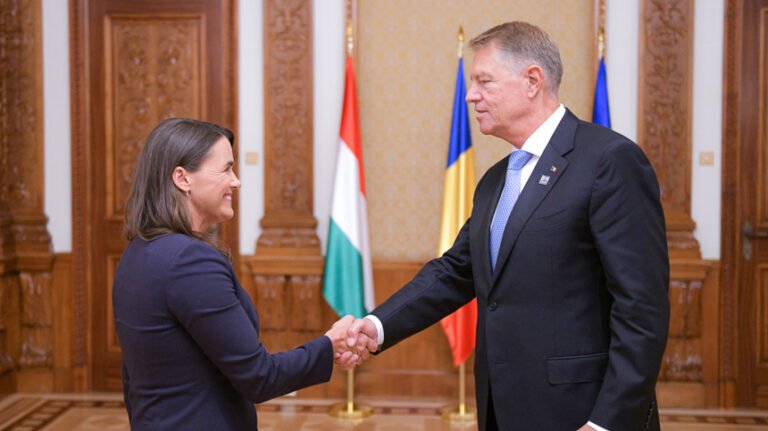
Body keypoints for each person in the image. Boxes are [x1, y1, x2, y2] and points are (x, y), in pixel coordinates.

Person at [347, 22, 670, 430]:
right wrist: (375, 327)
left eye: (484, 81)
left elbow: (642, 308)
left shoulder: (609, 161)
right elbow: (455, 271)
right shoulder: (497, 180)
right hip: (502, 408)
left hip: (580, 412)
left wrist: (607, 422)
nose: (471, 95)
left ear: (532, 81)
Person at [113, 118, 363, 430]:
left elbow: (134, 378)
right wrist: (329, 345)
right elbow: (260, 377)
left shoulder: (138, 252)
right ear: (182, 178)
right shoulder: (190, 261)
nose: (236, 182)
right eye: (226, 169)